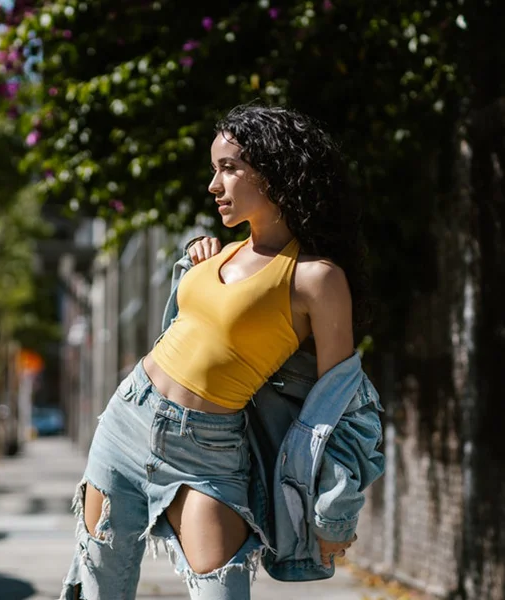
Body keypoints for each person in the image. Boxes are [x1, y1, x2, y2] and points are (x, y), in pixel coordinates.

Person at [61, 104, 371, 600]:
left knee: (220, 591)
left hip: (207, 450)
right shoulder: (214, 252)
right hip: (127, 419)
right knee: (101, 589)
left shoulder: (317, 279)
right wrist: (193, 264)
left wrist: (335, 512)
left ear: (274, 170)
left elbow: (340, 409)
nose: (214, 184)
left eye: (229, 167)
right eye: (214, 169)